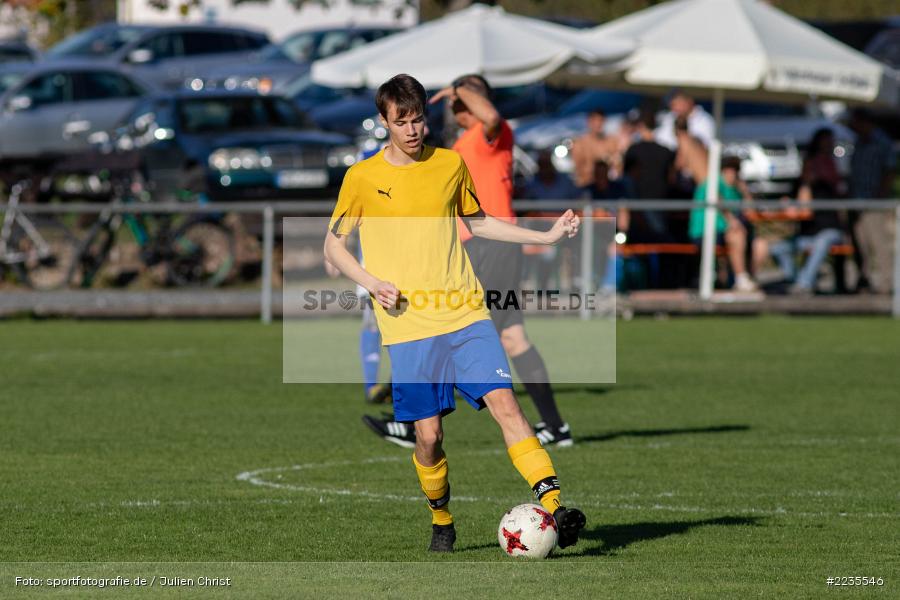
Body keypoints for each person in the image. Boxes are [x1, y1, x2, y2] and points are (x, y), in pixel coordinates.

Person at [323, 74, 586, 553]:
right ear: (384, 122)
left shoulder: (450, 163)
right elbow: (333, 246)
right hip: (408, 325)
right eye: (401, 121)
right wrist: (372, 283)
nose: (412, 130)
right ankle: (441, 519)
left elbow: (479, 223)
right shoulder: (361, 177)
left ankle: (556, 507)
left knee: (507, 405)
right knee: (429, 437)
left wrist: (545, 236)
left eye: (418, 119)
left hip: (465, 313)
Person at [769, 128, 847, 295]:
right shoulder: (800, 187)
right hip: (808, 234)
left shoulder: (828, 188)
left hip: (830, 231)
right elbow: (796, 207)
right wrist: (790, 203)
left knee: (821, 243)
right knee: (778, 248)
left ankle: (804, 284)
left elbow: (838, 197)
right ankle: (795, 279)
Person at [689, 156, 760, 292]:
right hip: (704, 233)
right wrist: (731, 220)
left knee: (760, 246)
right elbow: (717, 201)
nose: (732, 174)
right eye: (729, 170)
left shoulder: (735, 190)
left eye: (735, 171)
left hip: (724, 234)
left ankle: (745, 278)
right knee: (737, 235)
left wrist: (745, 191)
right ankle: (740, 278)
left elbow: (751, 212)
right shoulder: (712, 183)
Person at [847, 108, 896, 294]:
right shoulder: (859, 141)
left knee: (879, 242)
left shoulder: (882, 142)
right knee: (860, 244)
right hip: (856, 199)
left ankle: (888, 284)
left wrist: (880, 195)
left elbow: (890, 170)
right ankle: (863, 281)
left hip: (873, 201)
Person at [571, 108, 619, 187]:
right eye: (594, 121)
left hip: (607, 186)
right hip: (587, 184)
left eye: (600, 121)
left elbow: (617, 164)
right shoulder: (580, 143)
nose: (597, 124)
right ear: (589, 121)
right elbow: (578, 168)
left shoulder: (611, 141)